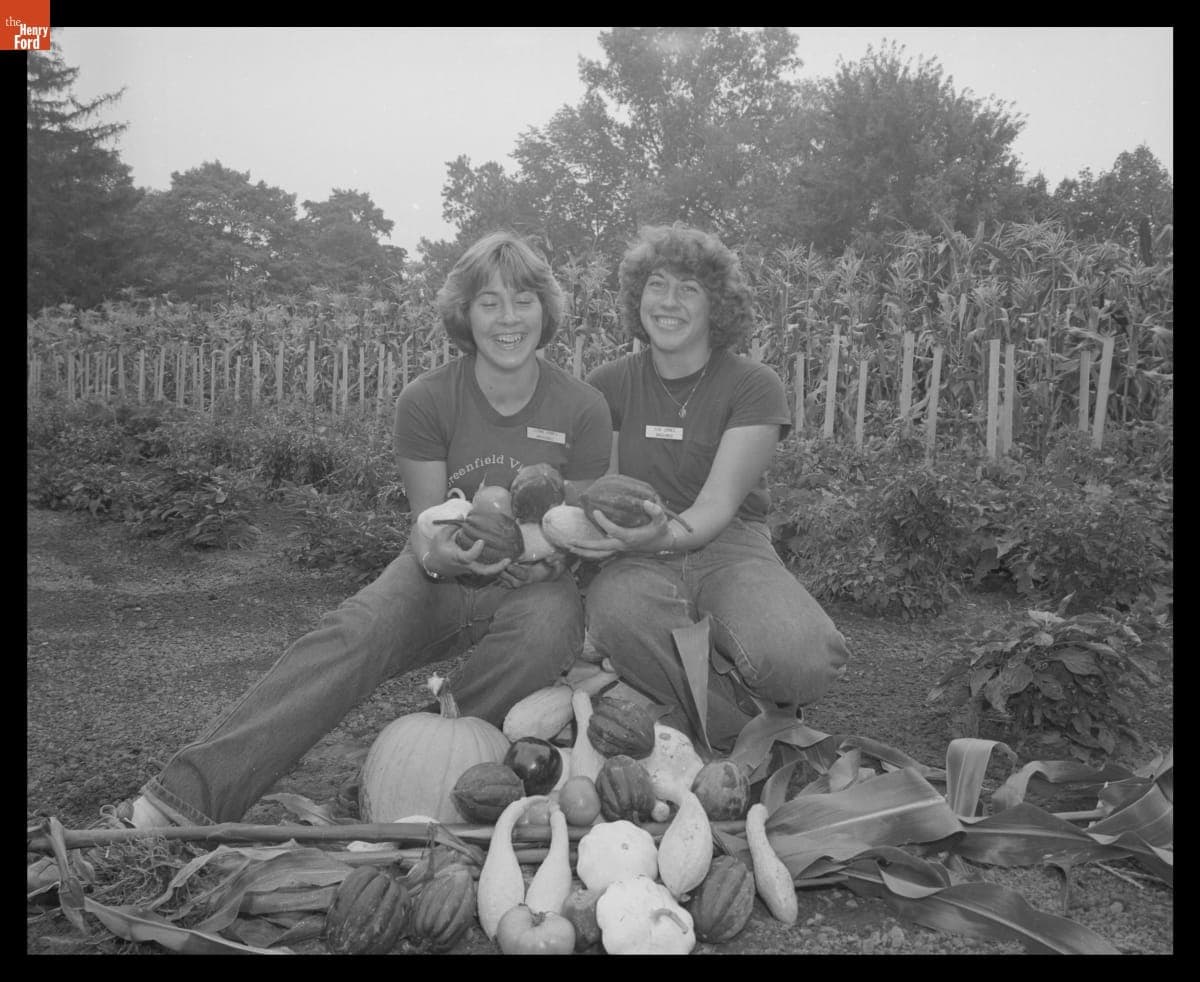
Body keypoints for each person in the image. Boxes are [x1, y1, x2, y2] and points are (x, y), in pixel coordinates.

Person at [103, 231, 613, 829]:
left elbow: (572, 527)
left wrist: (552, 561)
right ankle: (180, 802)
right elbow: (426, 525)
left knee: (551, 621)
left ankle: (398, 778)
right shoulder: (427, 399)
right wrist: (443, 557)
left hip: (530, 585)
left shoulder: (582, 406)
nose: (508, 318)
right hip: (441, 574)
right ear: (464, 314)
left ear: (545, 310)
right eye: (489, 302)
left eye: (524, 300)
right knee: (353, 632)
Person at [568, 223, 850, 753]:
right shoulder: (608, 384)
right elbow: (601, 491)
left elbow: (718, 505)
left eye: (689, 288)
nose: (668, 301)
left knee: (802, 659)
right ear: (637, 296)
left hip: (729, 545)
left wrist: (660, 536)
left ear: (715, 306)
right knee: (619, 611)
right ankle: (740, 728)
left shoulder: (751, 385)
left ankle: (670, 690)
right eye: (656, 284)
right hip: (635, 555)